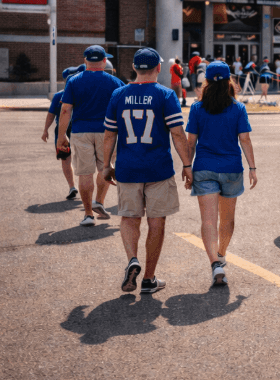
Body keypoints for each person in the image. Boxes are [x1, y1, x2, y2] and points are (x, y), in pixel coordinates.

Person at [101, 48, 191, 294]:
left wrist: (105, 165)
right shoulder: (165, 95)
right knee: (156, 222)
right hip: (158, 168)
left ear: (134, 68)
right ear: (158, 68)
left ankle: (132, 259)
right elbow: (177, 133)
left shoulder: (118, 94)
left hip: (127, 167)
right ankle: (149, 279)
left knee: (129, 218)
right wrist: (187, 164)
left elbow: (109, 134)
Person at [184, 62, 257, 286]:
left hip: (204, 168)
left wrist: (187, 167)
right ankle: (222, 254)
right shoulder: (238, 108)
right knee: (227, 219)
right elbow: (244, 139)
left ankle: (214, 263)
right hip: (231, 169)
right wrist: (253, 168)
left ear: (206, 82)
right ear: (229, 81)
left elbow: (191, 142)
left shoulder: (197, 108)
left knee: (208, 220)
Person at [57, 45, 124, 227]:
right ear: (104, 61)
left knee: (85, 173)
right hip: (108, 132)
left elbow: (65, 110)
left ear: (85, 60)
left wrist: (61, 135)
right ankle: (99, 202)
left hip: (80, 131)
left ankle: (87, 215)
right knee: (105, 168)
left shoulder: (73, 81)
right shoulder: (115, 83)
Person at [42, 65, 85, 200]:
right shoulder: (84, 94)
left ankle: (72, 186)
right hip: (81, 128)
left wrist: (45, 130)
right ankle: (85, 186)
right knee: (85, 158)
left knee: (65, 158)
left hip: (62, 129)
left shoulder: (59, 95)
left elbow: (51, 115)